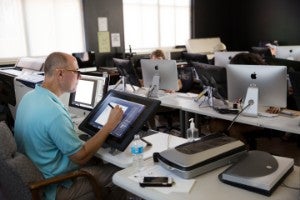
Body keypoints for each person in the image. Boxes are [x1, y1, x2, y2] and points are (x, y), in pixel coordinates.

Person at [14, 52, 127, 200]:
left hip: (37, 174)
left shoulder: (29, 97)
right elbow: (81, 157)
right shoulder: (54, 113)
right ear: (60, 73)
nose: (80, 77)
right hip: (54, 187)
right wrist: (109, 125)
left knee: (98, 160)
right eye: (76, 72)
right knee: (120, 173)